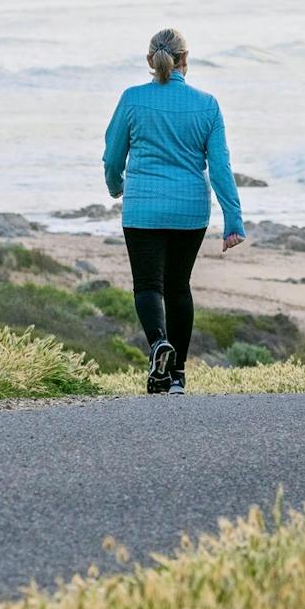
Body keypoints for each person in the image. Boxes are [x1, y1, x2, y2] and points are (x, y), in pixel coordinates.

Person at [103, 28, 245, 394]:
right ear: (186, 59)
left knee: (148, 285)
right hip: (189, 210)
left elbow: (112, 155)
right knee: (179, 287)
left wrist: (116, 185)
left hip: (143, 209)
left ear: (150, 60)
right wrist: (233, 219)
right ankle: (178, 374)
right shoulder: (207, 104)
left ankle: (157, 345)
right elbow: (220, 167)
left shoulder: (132, 100)